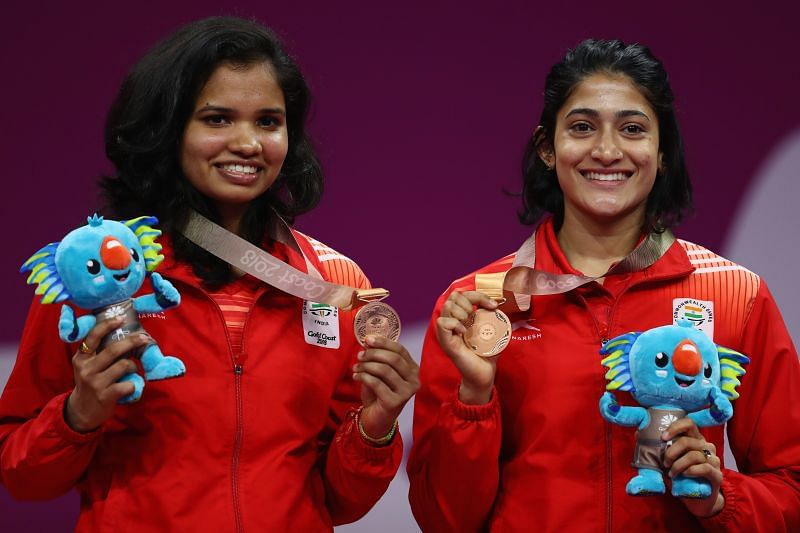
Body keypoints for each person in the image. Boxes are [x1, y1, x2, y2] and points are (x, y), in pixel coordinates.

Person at [0, 16, 419, 531]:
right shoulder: (96, 272)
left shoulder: (333, 283)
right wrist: (79, 414)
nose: (248, 143)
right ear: (169, 130)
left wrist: (375, 427)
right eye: (217, 119)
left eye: (268, 122)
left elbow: (338, 501)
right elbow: (22, 476)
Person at [407, 39, 800, 531]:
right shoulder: (479, 303)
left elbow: (792, 486)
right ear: (548, 149)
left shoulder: (735, 294)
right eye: (582, 127)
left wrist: (721, 500)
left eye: (633, 129)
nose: (607, 150)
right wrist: (475, 394)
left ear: (662, 151)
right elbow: (443, 519)